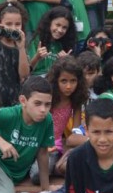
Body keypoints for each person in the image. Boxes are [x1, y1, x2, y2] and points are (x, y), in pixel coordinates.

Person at [29, 56, 88, 184]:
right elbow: (36, 124)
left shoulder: (75, 100)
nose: (69, 86)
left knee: (37, 175)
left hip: (54, 146)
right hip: (35, 141)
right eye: (64, 81)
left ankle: (57, 167)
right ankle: (57, 168)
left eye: (73, 81)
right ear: (56, 81)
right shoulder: (48, 97)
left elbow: (76, 132)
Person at [28, 6, 76, 75]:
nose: (60, 30)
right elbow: (27, 71)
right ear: (49, 22)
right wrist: (37, 57)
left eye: (64, 27)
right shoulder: (38, 40)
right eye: (57, 25)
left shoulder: (64, 45)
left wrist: (66, 62)